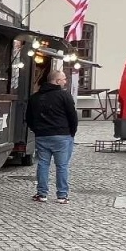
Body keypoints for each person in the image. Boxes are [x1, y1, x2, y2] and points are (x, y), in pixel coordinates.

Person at [28, 68, 80, 203]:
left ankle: (42, 194)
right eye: (63, 79)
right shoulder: (64, 95)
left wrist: (37, 130)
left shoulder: (35, 97)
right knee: (62, 166)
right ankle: (62, 196)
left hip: (42, 135)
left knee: (43, 164)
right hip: (62, 135)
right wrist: (71, 132)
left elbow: (29, 117)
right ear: (57, 81)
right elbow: (72, 116)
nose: (65, 81)